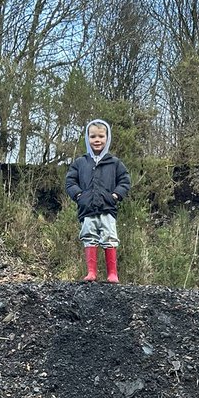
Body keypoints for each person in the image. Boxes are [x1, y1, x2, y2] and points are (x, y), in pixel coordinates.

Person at [65, 119, 131, 283]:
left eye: (101, 136)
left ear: (107, 138)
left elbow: (125, 181)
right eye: (93, 136)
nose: (97, 140)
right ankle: (91, 273)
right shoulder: (80, 162)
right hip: (87, 209)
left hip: (108, 208)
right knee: (89, 236)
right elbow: (70, 182)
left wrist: (115, 195)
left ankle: (112, 274)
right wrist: (79, 196)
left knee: (109, 238)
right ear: (87, 138)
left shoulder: (115, 163)